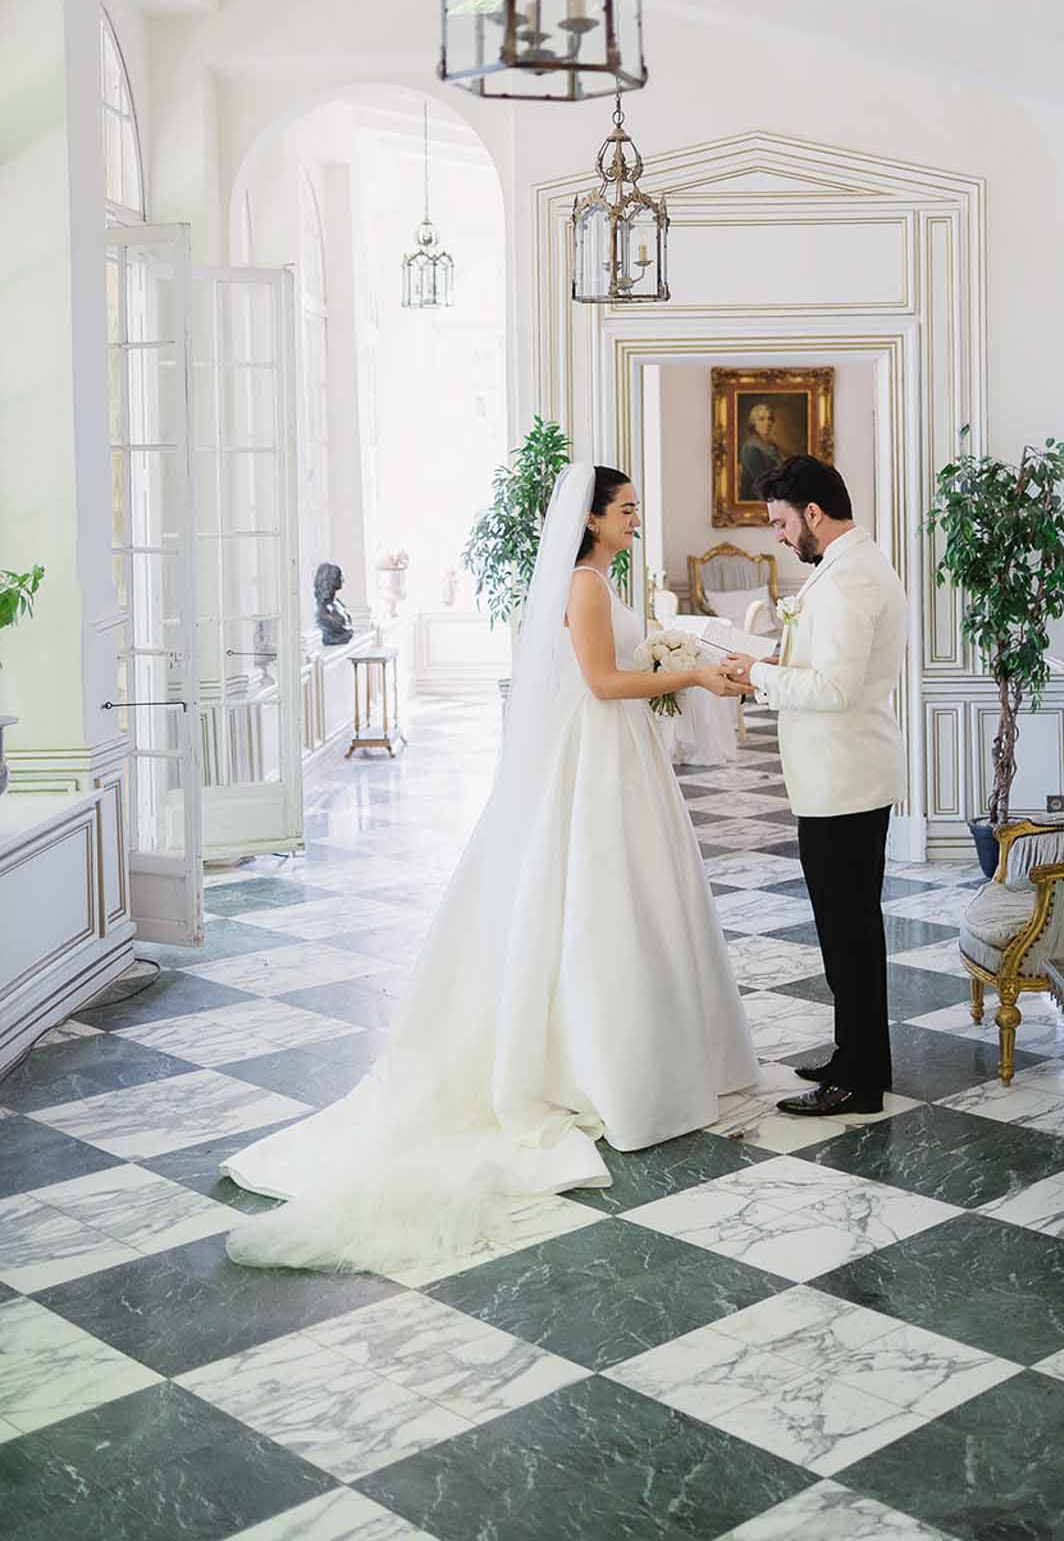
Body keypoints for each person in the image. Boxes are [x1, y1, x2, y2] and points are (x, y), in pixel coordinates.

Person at [222, 463, 756, 1275]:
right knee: (595, 902)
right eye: (626, 510)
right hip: (594, 760)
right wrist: (685, 672)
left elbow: (624, 668)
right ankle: (597, 1065)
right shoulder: (582, 584)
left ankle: (652, 1056)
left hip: (623, 758)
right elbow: (604, 683)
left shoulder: (602, 581)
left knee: (637, 902)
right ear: (592, 521)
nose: (635, 519)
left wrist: (685, 662)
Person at [724, 455, 909, 1117]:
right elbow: (831, 668)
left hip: (845, 781)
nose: (776, 536)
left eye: (778, 523)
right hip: (842, 777)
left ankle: (858, 1083)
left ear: (812, 514)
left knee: (849, 935)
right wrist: (780, 662)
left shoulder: (849, 581)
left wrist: (756, 674)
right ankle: (859, 1057)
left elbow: (833, 689)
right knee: (847, 931)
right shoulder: (847, 567)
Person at [739, 401, 783, 501]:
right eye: (761, 419)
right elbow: (763, 480)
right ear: (753, 423)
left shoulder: (772, 445)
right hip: (754, 499)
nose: (767, 423)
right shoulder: (750, 448)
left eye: (769, 419)